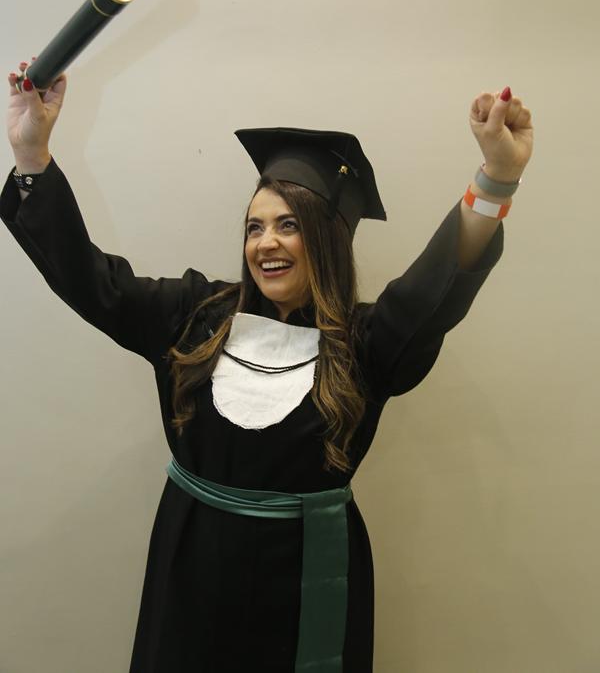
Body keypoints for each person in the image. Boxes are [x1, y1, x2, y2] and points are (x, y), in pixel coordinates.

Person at [2, 60, 533, 673]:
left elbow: (433, 292)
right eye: (254, 227)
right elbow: (91, 281)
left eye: (288, 225)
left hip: (310, 584)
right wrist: (32, 154)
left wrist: (497, 177)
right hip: (191, 571)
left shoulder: (365, 344)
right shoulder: (193, 315)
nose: (265, 242)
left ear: (328, 240)